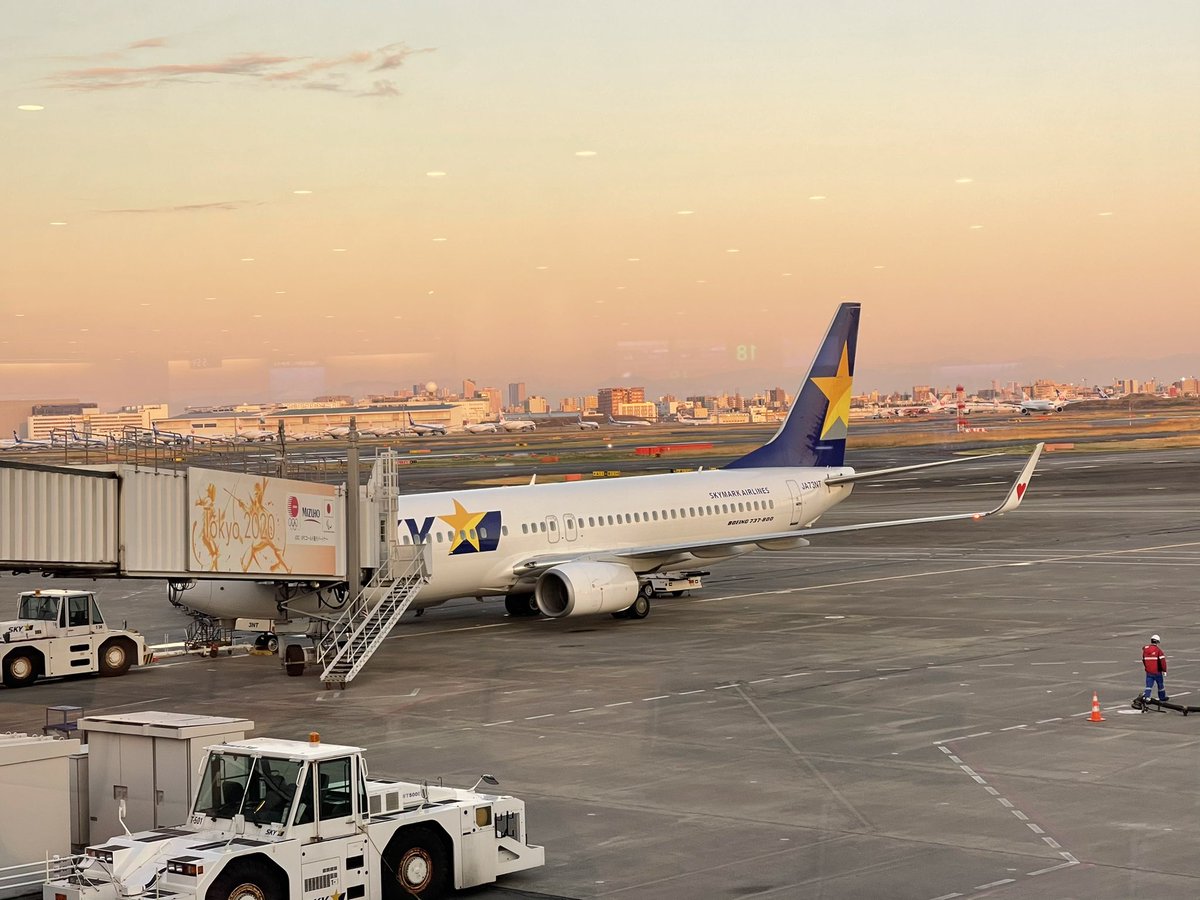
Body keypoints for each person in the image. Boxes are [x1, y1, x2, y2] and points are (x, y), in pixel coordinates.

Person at [1142, 634, 1168, 702]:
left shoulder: (1145, 650)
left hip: (1149, 671)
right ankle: (1162, 697)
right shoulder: (1158, 651)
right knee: (1160, 684)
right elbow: (1162, 662)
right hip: (1157, 671)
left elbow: (1144, 660)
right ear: (1157, 642)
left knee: (1148, 685)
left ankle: (1147, 697)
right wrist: (1164, 670)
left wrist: (1146, 668)